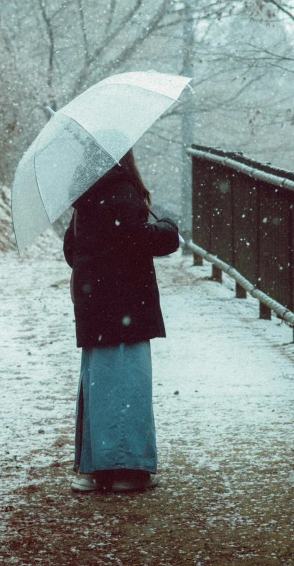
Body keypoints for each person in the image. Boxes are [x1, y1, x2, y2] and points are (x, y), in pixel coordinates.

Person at [63, 148, 179, 492]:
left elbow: (72, 250)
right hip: (127, 307)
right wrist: (168, 229)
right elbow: (140, 240)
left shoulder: (85, 196)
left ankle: (97, 467)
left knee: (100, 386)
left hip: (96, 310)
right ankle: (127, 469)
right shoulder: (122, 190)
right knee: (128, 385)